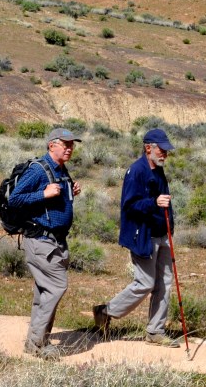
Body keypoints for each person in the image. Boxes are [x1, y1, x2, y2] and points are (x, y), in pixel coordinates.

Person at [93, 128, 179, 347]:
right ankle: (106, 311)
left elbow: (164, 201)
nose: (164, 155)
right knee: (145, 282)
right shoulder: (136, 171)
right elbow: (128, 206)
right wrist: (153, 203)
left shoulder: (159, 171)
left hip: (162, 234)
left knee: (164, 283)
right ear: (148, 147)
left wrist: (169, 221)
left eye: (166, 151)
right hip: (143, 236)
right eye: (162, 150)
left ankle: (155, 331)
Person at [9, 126, 82, 359]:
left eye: (71, 145)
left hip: (55, 242)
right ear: (52, 145)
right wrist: (42, 194)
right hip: (41, 241)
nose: (70, 148)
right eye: (65, 144)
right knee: (56, 287)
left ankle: (38, 340)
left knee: (44, 293)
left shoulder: (61, 169)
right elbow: (15, 199)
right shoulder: (39, 170)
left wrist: (72, 191)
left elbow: (57, 200)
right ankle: (36, 344)